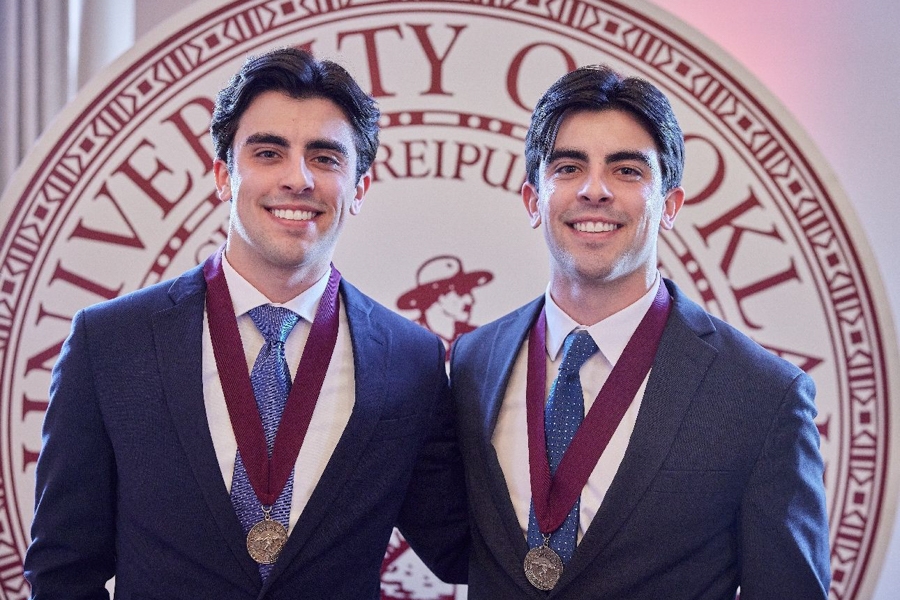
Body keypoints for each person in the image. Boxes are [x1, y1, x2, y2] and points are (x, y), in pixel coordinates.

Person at [25, 47, 467, 599]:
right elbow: (63, 567)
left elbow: (463, 550)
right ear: (222, 175)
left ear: (358, 189)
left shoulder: (411, 360)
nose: (297, 178)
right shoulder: (111, 342)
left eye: (326, 158)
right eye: (268, 152)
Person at [450, 65, 830, 599]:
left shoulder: (762, 395)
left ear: (669, 206)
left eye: (627, 170)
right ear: (534, 200)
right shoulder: (474, 361)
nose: (595, 190)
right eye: (568, 167)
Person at [397, 255, 492, 358]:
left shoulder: (476, 338)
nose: (470, 300)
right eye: (462, 292)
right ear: (438, 296)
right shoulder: (407, 340)